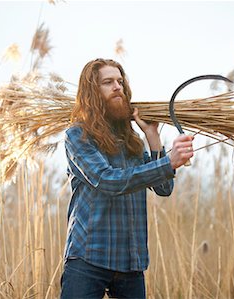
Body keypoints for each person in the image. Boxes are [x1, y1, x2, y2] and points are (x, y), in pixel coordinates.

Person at [60, 58, 194, 298]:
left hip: (131, 261)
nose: (117, 87)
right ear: (92, 92)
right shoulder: (78, 136)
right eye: (108, 82)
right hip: (89, 257)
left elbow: (164, 187)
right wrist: (169, 161)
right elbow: (108, 180)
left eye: (120, 81)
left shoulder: (131, 140)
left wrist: (152, 137)